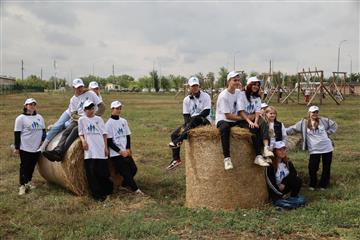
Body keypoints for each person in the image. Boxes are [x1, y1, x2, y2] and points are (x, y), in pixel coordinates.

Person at [43, 78, 105, 162]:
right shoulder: (73, 100)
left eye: (81, 87)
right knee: (66, 132)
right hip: (79, 120)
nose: (80, 89)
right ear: (73, 88)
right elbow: (73, 114)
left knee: (74, 131)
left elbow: (102, 107)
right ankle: (57, 151)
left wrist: (93, 117)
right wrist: (82, 119)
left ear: (83, 86)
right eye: (77, 87)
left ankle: (60, 153)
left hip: (91, 119)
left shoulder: (90, 94)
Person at [286, 105, 337, 190]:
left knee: (326, 167)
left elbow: (334, 125)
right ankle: (313, 184)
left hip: (327, 147)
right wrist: (280, 129)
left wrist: (328, 132)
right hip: (314, 149)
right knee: (312, 167)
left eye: (316, 112)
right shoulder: (303, 123)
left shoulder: (324, 120)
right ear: (309, 113)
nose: (315, 114)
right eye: (313, 112)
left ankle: (323, 185)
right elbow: (292, 129)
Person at [167, 76, 211, 170]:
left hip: (205, 121)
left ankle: (179, 140)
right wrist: (187, 125)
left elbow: (206, 112)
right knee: (174, 134)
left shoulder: (206, 96)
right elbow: (186, 117)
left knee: (196, 118)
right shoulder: (186, 100)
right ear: (189, 87)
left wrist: (193, 119)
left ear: (199, 86)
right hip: (192, 122)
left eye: (196, 86)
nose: (195, 87)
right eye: (192, 86)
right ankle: (176, 159)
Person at [105, 101, 144, 195]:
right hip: (116, 154)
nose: (118, 110)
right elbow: (109, 142)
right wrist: (120, 152)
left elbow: (127, 136)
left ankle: (123, 184)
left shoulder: (123, 121)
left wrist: (128, 148)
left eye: (119, 108)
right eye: (116, 108)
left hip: (126, 151)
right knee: (126, 172)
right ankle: (136, 190)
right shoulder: (108, 124)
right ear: (112, 109)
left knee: (133, 169)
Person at [78, 100, 113, 201]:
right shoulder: (82, 120)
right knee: (91, 174)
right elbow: (80, 133)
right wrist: (83, 141)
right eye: (88, 108)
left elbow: (104, 134)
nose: (91, 110)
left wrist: (106, 147)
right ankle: (97, 196)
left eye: (92, 108)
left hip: (100, 149)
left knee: (103, 173)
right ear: (84, 110)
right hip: (89, 151)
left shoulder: (99, 119)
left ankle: (107, 192)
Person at [237, 76, 273, 167]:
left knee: (263, 124)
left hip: (254, 117)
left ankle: (266, 148)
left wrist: (256, 121)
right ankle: (258, 155)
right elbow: (241, 111)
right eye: (254, 84)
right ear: (249, 85)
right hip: (243, 119)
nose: (256, 86)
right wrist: (250, 122)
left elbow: (257, 111)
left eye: (258, 85)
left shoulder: (257, 97)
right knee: (253, 130)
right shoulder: (241, 95)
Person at [14, 98, 46, 195]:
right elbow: (17, 133)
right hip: (25, 147)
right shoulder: (20, 118)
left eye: (34, 104)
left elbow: (43, 130)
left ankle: (28, 183)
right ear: (25, 106)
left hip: (37, 148)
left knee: (32, 166)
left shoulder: (40, 117)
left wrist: (43, 141)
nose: (32, 106)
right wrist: (17, 147)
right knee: (24, 166)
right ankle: (22, 186)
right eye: (30, 104)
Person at [216, 71, 243, 170]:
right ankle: (227, 158)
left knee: (252, 125)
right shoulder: (223, 96)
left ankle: (259, 153)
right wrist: (244, 118)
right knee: (225, 128)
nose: (237, 82)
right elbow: (227, 116)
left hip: (235, 119)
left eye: (238, 80)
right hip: (223, 120)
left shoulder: (238, 92)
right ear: (228, 81)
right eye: (234, 80)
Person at [265, 141, 305, 209]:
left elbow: (294, 174)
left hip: (285, 189)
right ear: (274, 151)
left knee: (298, 180)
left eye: (284, 149)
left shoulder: (288, 163)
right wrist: (279, 194)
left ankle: (292, 198)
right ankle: (285, 202)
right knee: (281, 201)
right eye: (280, 150)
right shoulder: (270, 165)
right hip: (276, 191)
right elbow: (270, 183)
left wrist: (284, 181)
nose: (282, 151)